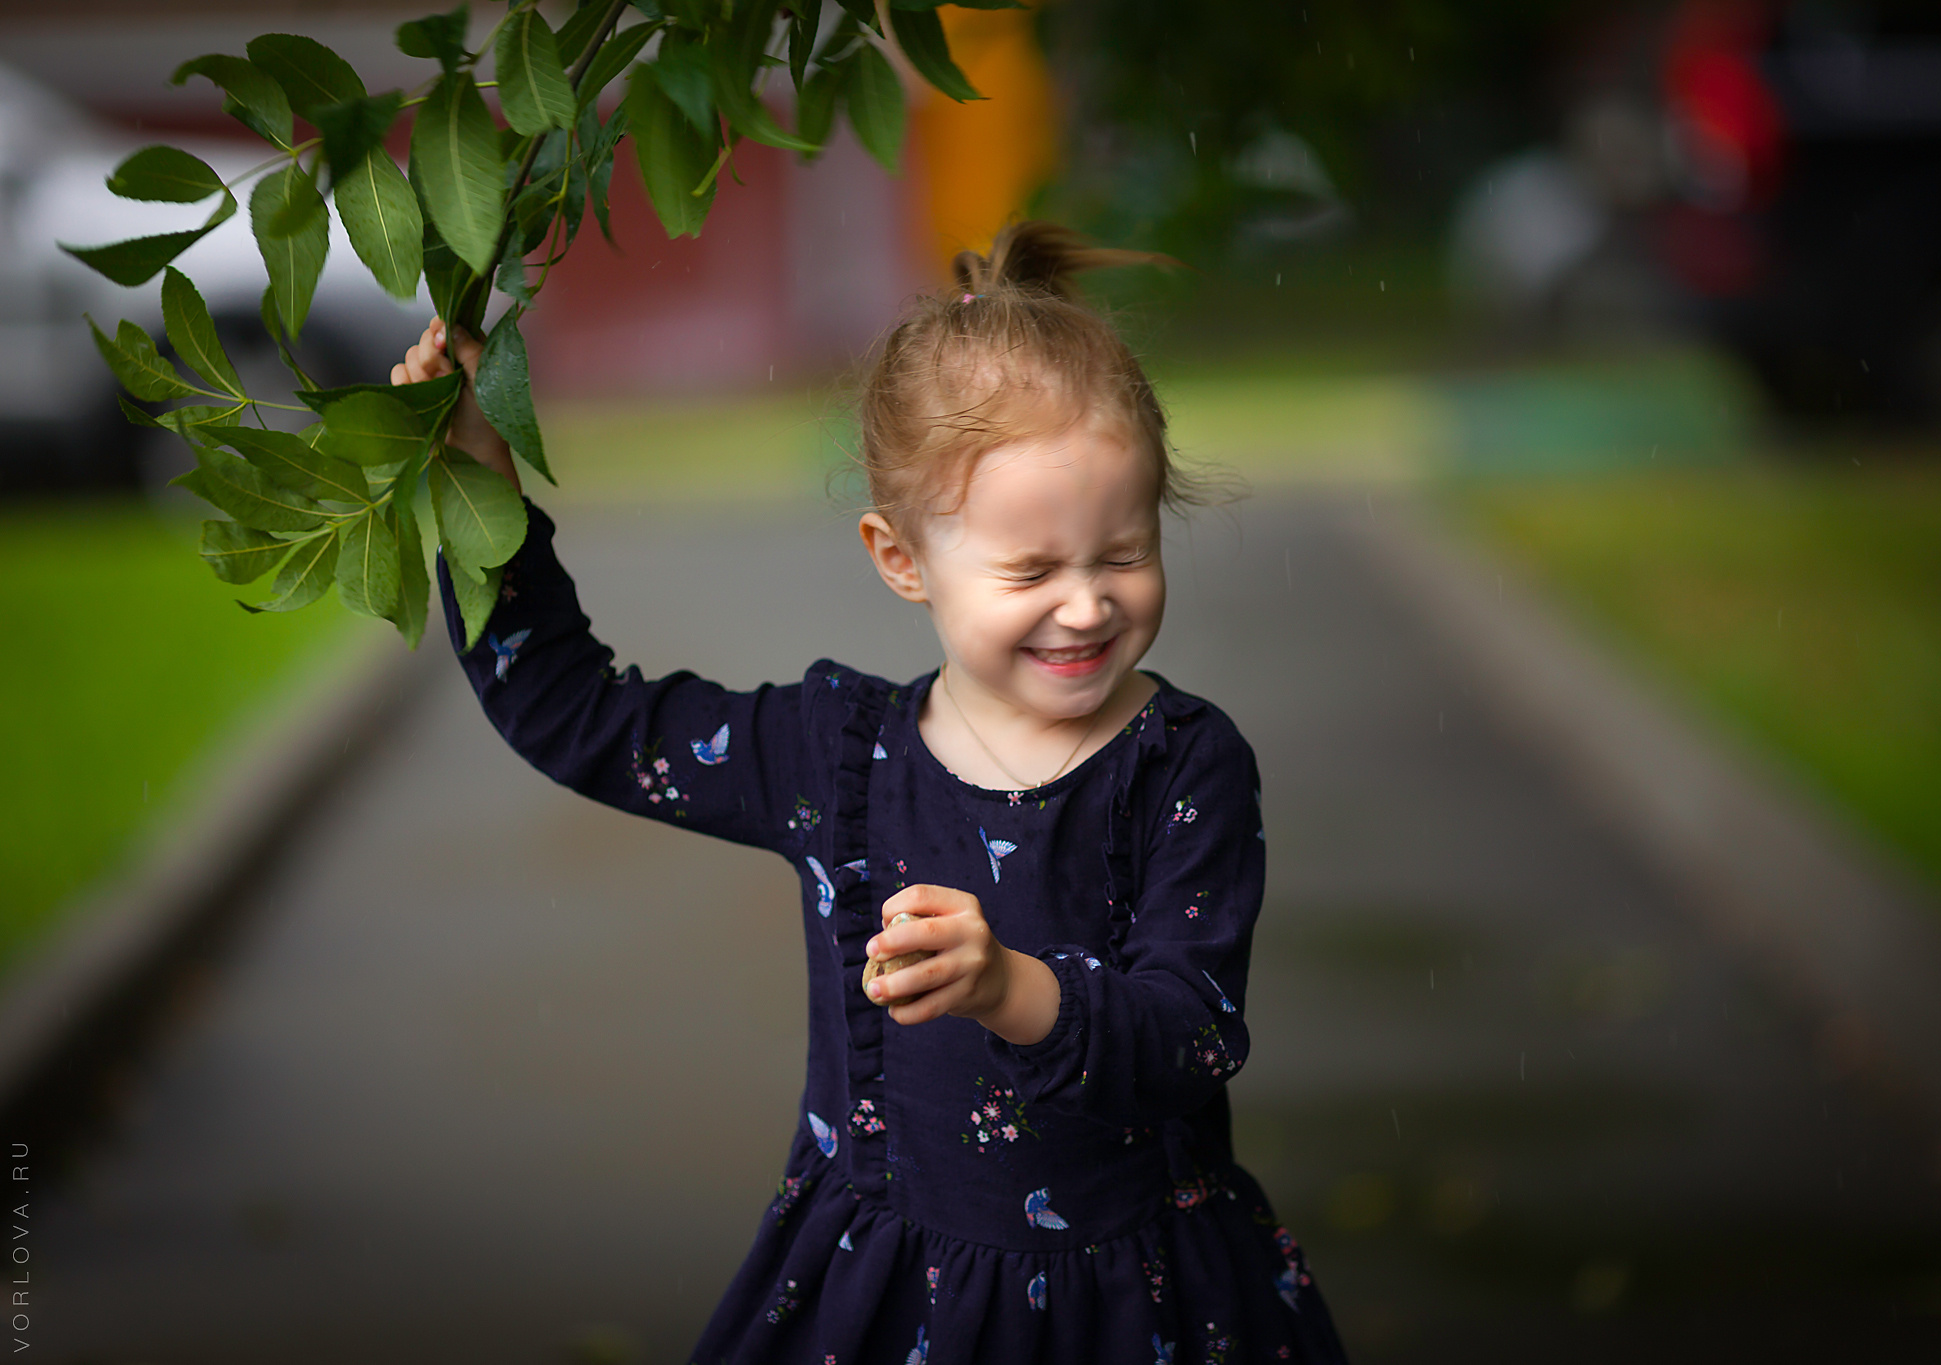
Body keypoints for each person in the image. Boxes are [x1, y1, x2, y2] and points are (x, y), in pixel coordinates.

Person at [392, 221, 1347, 1362]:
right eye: (1031, 570)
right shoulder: (835, 756)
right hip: (893, 1300)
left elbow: (1189, 1035)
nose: (1086, 605)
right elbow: (577, 715)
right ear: (902, 559)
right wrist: (475, 486)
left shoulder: (1184, 762)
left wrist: (1006, 986)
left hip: (1140, 1303)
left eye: (1124, 553)